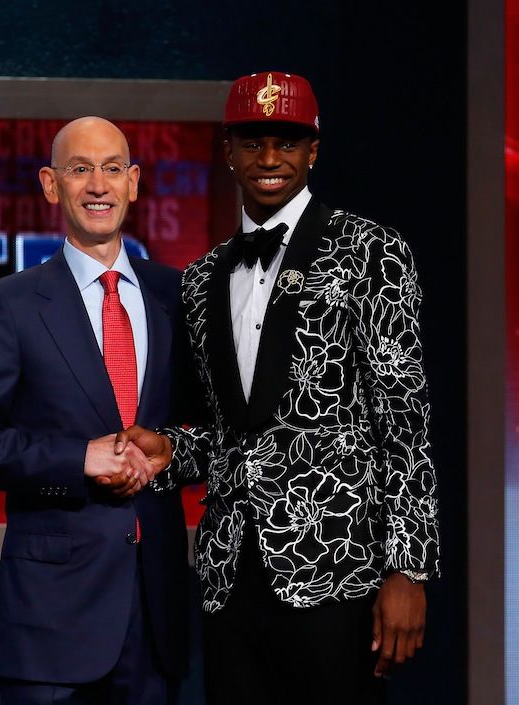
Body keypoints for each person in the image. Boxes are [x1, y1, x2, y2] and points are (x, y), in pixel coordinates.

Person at [115, 72, 440, 704]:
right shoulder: (202, 277)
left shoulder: (371, 253)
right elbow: (228, 434)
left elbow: (405, 418)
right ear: (227, 149)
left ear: (313, 150)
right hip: (230, 578)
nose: (270, 159)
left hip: (336, 571)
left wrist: (408, 568)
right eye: (253, 141)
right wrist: (172, 453)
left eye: (287, 142)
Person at [0, 116, 189, 705]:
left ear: (134, 183)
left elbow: (204, 429)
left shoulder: (177, 295)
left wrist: (169, 451)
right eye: (80, 169)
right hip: (52, 620)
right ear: (52, 185)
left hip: (155, 611)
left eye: (112, 169)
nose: (98, 185)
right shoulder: (11, 303)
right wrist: (78, 459)